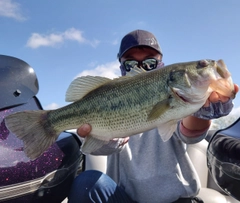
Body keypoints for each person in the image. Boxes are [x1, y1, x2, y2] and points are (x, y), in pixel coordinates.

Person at [68, 30, 239, 203]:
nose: (140, 68)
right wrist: (107, 135)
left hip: (176, 200)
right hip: (124, 199)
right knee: (86, 183)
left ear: (161, 64)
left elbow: (188, 133)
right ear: (121, 67)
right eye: (130, 64)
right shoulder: (110, 98)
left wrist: (202, 112)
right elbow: (101, 149)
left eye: (150, 62)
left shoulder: (178, 99)